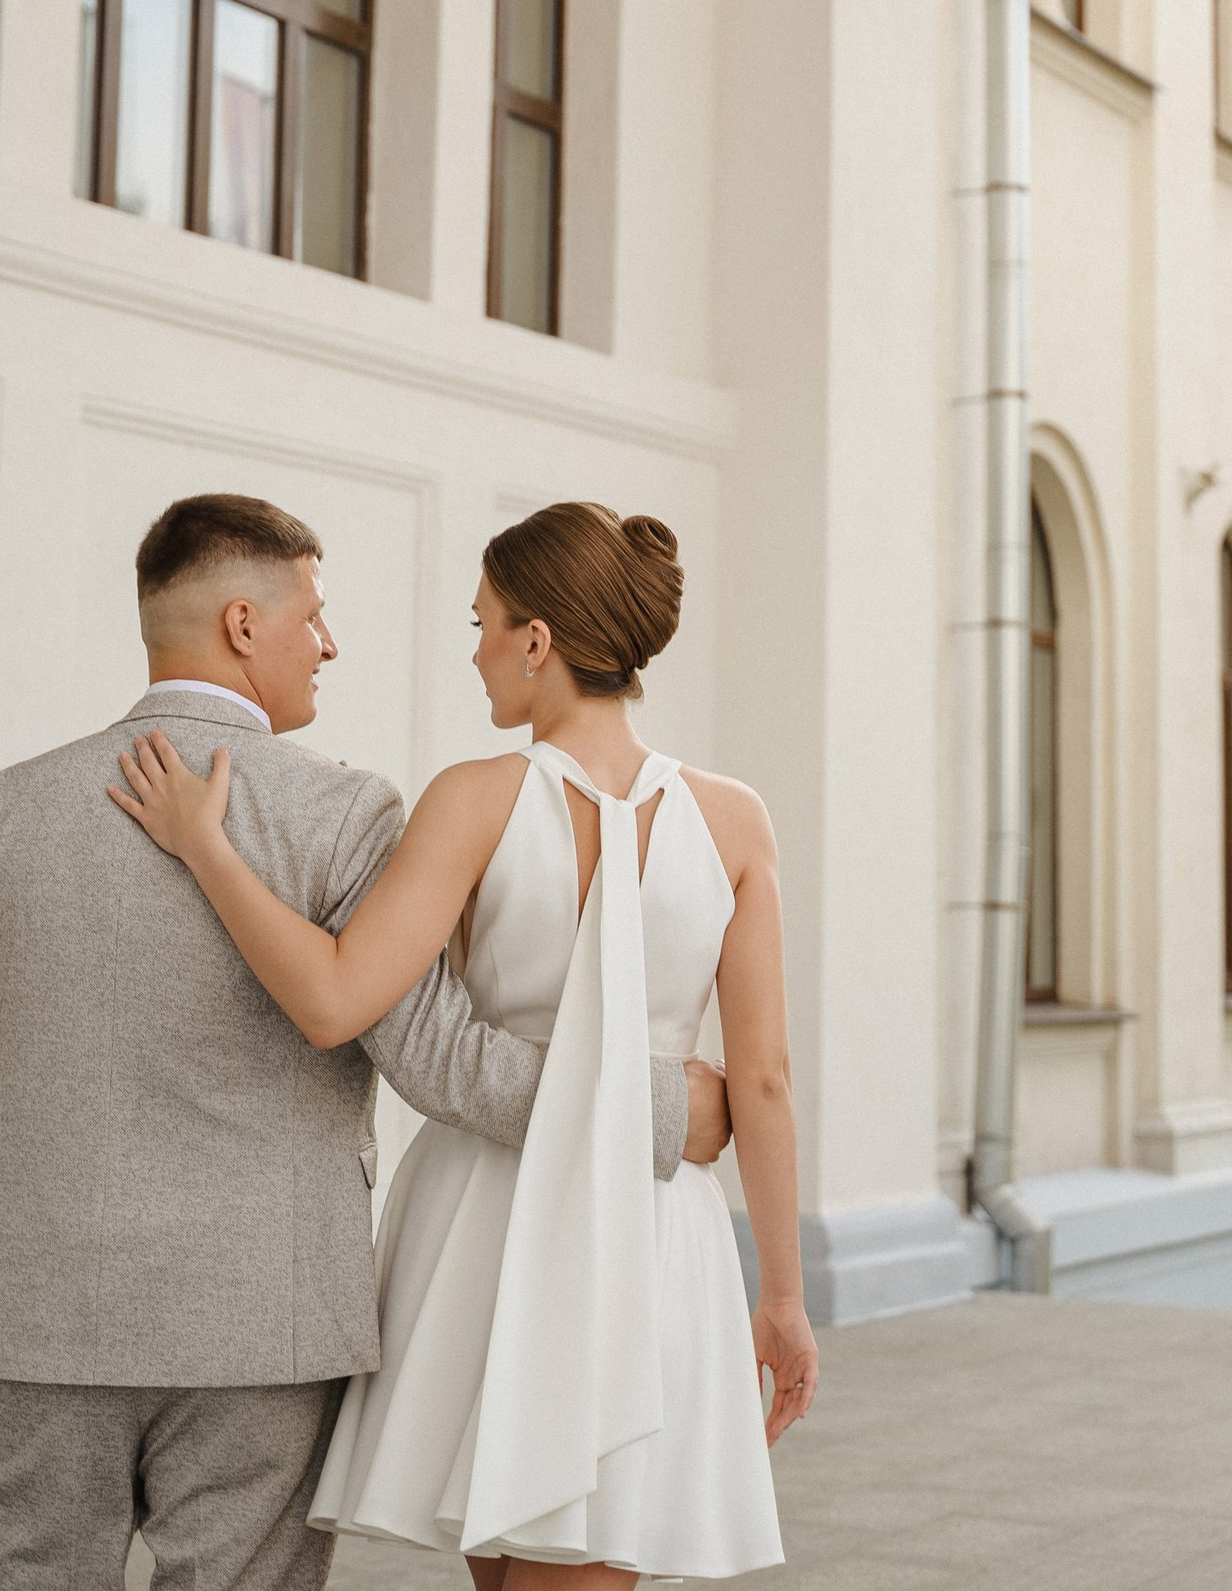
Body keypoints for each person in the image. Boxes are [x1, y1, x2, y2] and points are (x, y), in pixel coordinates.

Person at [0, 492, 729, 1591]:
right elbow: (440, 1059)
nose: (329, 643)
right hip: (264, 1327)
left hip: (22, 1317)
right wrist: (675, 1111)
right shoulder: (343, 815)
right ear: (243, 624)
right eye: (314, 616)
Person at [111, 499, 817, 1588]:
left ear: (538, 643)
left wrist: (209, 850)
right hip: (653, 1222)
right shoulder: (735, 820)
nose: (476, 649)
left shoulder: (474, 801)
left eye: (484, 623)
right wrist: (780, 1295)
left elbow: (336, 999)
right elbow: (760, 1082)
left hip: (489, 1218)